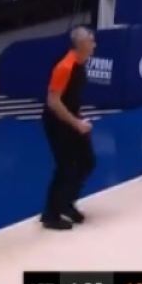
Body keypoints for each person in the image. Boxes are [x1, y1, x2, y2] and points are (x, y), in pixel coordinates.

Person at [40, 27, 97, 230]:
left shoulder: (80, 64)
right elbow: (53, 101)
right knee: (65, 165)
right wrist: (76, 123)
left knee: (86, 160)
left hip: (71, 117)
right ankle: (51, 214)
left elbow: (71, 97)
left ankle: (67, 202)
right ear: (81, 44)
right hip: (57, 122)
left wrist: (78, 117)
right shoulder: (65, 67)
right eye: (91, 41)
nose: (94, 45)